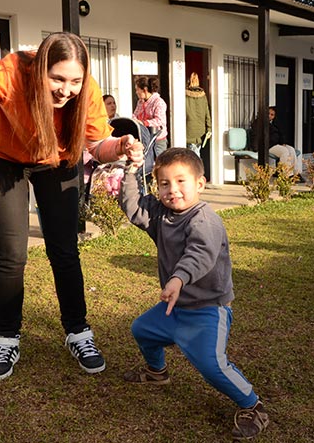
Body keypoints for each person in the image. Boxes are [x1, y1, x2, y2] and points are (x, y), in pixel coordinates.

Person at [0, 31, 143, 381]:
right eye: (57, 78)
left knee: (64, 250)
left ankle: (78, 332)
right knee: (12, 254)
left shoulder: (86, 88)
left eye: (74, 81)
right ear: (41, 67)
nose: (65, 89)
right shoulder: (15, 69)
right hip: (2, 157)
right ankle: (7, 337)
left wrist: (119, 146)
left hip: (58, 161)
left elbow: (97, 145)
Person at [118, 147, 269, 440]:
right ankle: (157, 372)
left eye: (180, 181)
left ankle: (254, 405)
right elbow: (133, 207)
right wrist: (130, 170)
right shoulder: (161, 214)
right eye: (164, 183)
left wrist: (177, 280)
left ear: (200, 183)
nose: (172, 190)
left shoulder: (205, 219)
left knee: (211, 365)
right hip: (176, 308)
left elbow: (199, 254)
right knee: (142, 329)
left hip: (208, 309)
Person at [133, 76, 168, 159]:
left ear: (144, 90)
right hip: (145, 139)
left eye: (137, 89)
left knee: (159, 164)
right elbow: (136, 114)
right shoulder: (140, 102)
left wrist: (145, 123)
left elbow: (160, 120)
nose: (136, 92)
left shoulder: (158, 102)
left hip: (157, 140)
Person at [185, 72, 211, 158]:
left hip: (189, 131)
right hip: (201, 132)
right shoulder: (203, 96)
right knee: (196, 154)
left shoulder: (184, 95)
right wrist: (209, 129)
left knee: (192, 158)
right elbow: (207, 114)